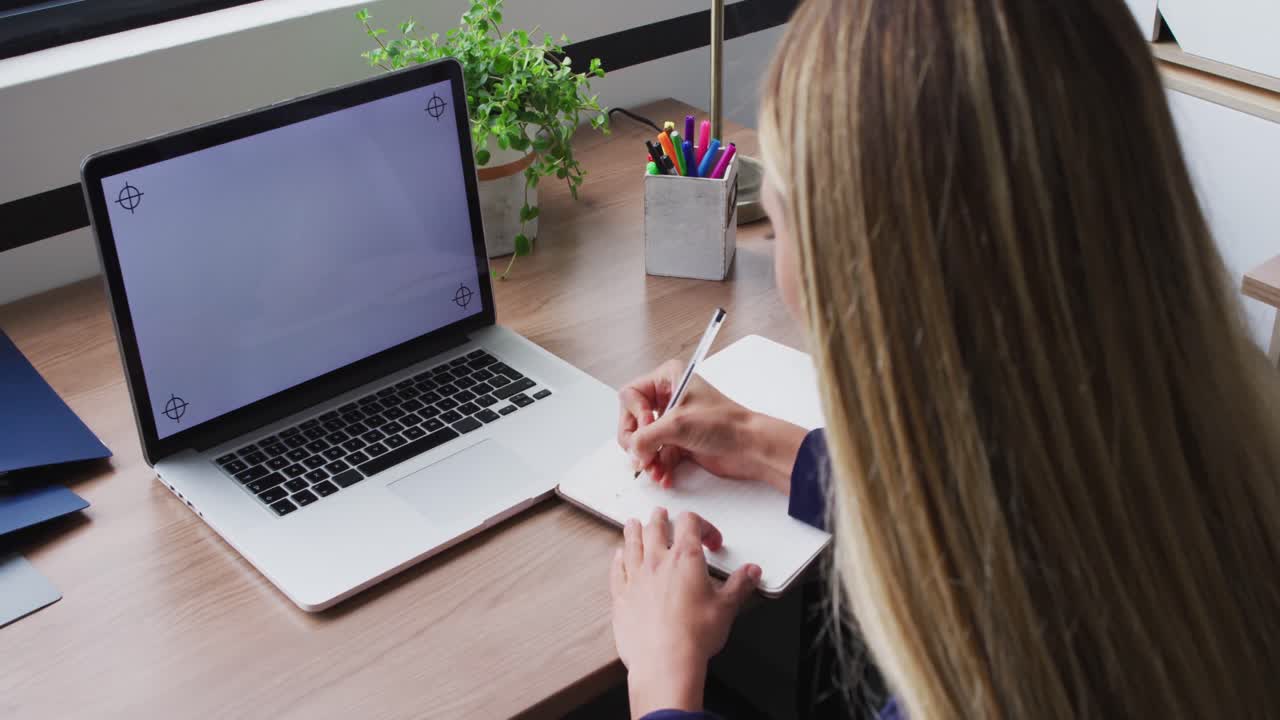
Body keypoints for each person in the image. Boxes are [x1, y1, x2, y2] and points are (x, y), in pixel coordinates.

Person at [607, 0, 1280, 718]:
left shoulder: (998, 680)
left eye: (780, 221)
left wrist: (664, 683)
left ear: (876, 290)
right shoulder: (1198, 486)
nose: (775, 253)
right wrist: (759, 443)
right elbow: (988, 479)